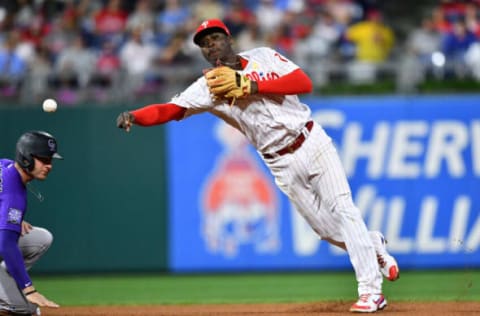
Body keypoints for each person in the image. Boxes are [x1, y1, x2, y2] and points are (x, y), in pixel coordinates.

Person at [116, 19, 399, 313]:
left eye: (214, 38)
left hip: (311, 142)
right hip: (279, 162)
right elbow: (170, 110)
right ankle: (372, 245)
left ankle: (370, 292)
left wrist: (252, 84)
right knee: (326, 231)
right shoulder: (208, 88)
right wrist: (135, 116)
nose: (209, 45)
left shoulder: (263, 57)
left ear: (230, 40)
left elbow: (304, 82)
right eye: (203, 43)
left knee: (343, 209)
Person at [0, 131, 62, 315]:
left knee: (41, 238)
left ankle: (5, 282)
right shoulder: (14, 194)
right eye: (43, 159)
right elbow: (6, 244)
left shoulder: (5, 165)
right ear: (26, 158)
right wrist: (29, 289)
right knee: (27, 310)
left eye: (50, 160)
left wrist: (6, 217)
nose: (49, 165)